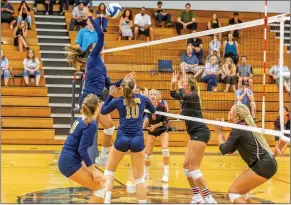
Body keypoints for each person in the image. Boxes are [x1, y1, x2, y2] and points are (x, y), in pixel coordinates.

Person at [65, 14, 133, 167]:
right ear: (93, 49)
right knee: (87, 128)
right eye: (97, 45)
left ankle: (102, 157)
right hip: (89, 98)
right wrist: (93, 20)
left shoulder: (101, 66)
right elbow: (101, 34)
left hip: (96, 99)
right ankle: (73, 154)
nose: (101, 45)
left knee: (108, 127)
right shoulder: (93, 58)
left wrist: (124, 79)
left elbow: (110, 86)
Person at [100, 78, 156, 204]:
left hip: (122, 139)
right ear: (135, 87)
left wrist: (110, 96)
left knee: (109, 171)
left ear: (122, 88)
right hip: (137, 139)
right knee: (139, 179)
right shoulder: (143, 99)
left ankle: (107, 201)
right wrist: (144, 101)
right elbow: (153, 111)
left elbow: (103, 111)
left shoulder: (118, 101)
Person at [215, 104, 277, 204]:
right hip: (266, 163)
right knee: (242, 192)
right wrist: (221, 132)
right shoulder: (242, 126)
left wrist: (218, 133)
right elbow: (229, 150)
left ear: (235, 114)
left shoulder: (239, 127)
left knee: (233, 192)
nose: (228, 112)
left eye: (230, 110)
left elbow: (223, 150)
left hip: (263, 165)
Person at [170, 71, 217, 204]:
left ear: (189, 85)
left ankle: (209, 198)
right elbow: (173, 94)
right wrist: (173, 83)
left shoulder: (193, 96)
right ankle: (197, 197)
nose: (182, 83)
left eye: (184, 82)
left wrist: (179, 85)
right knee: (186, 168)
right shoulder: (185, 96)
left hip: (201, 133)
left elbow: (183, 94)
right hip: (194, 134)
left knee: (194, 169)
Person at [58, 94, 107, 203]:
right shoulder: (90, 123)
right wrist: (93, 170)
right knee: (100, 189)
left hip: (68, 159)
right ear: (98, 107)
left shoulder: (81, 118)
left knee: (104, 181)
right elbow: (82, 150)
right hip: (69, 163)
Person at [143, 89, 170, 182]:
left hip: (162, 129)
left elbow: (166, 121)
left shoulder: (162, 107)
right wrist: (144, 126)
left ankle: (166, 174)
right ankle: (146, 173)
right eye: (151, 94)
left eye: (155, 94)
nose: (153, 95)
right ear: (148, 96)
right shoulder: (146, 107)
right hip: (152, 130)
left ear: (158, 96)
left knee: (165, 150)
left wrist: (155, 126)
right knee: (147, 154)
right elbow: (145, 119)